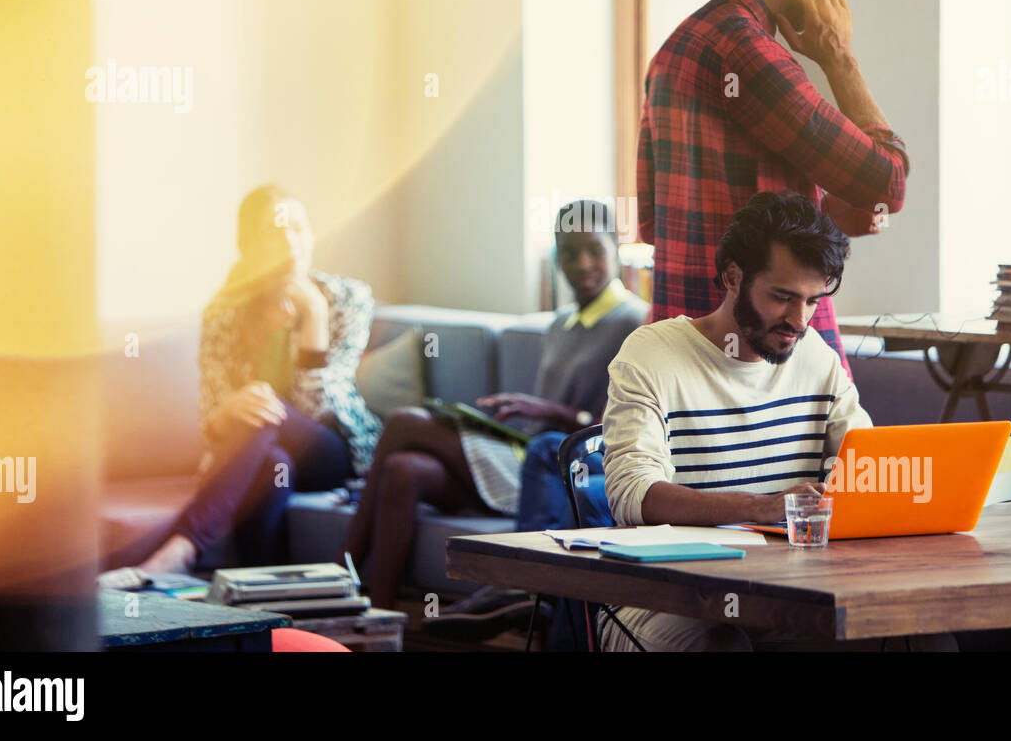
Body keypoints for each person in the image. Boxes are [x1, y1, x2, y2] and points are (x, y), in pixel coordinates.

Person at [599, 191, 953, 651]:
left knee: (923, 638)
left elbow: (867, 464)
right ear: (733, 276)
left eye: (811, 301)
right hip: (669, 598)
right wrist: (762, 507)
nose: (798, 320)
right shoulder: (652, 354)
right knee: (722, 645)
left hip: (793, 591)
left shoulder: (816, 359)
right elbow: (633, 496)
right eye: (782, 297)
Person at [638, 0, 910, 378]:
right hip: (768, 355)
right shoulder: (753, 55)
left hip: (685, 351)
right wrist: (839, 58)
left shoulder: (674, 49)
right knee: (837, 461)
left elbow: (669, 220)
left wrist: (825, 211)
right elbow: (888, 181)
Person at [344, 199, 649, 612]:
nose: (582, 265)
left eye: (595, 250)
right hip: (522, 453)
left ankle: (338, 573)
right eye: (570, 252)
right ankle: (377, 619)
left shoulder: (635, 320)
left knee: (404, 422)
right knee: (403, 470)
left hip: (556, 470)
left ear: (616, 247)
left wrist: (547, 410)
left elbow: (614, 428)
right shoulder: (560, 324)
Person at [100, 185, 380, 584]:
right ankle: (260, 599)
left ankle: (179, 550)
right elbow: (211, 424)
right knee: (273, 463)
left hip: (332, 452)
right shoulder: (225, 312)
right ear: (249, 247)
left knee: (269, 411)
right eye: (274, 231)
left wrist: (314, 320)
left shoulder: (347, 299)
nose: (289, 242)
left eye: (298, 228)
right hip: (259, 452)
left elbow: (323, 408)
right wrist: (229, 408)